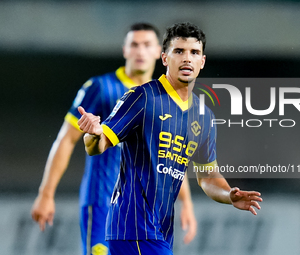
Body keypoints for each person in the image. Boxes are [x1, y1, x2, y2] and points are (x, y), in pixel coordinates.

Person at [78, 22, 262, 255]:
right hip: (132, 225)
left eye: (194, 52)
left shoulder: (204, 116)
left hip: (162, 231)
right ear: (165, 58)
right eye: (179, 51)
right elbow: (98, 144)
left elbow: (208, 177)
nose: (187, 58)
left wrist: (229, 196)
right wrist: (92, 133)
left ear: (202, 62)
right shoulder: (142, 97)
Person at [31, 23, 197, 255]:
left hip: (144, 212)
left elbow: (171, 156)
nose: (140, 51)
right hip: (102, 202)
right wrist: (45, 194)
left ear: (159, 52)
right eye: (134, 45)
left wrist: (186, 203)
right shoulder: (101, 88)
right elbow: (66, 140)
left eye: (146, 45)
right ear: (125, 50)